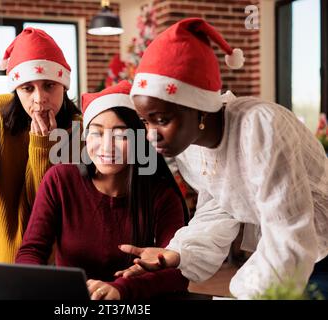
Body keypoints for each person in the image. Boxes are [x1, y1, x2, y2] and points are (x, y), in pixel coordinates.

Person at [115, 18, 328, 299]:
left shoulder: (260, 127)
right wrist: (177, 253)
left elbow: (289, 230)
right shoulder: (191, 146)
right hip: (289, 254)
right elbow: (219, 207)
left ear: (200, 108)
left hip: (316, 255)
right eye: (145, 121)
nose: (152, 135)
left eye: (162, 120)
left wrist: (247, 291)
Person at [15, 81, 189, 300]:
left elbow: (178, 273)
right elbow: (31, 252)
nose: (106, 146)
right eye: (96, 133)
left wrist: (120, 289)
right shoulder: (59, 180)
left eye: (121, 135)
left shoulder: (161, 194)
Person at [0, 27, 82, 262]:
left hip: (54, 257)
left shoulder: (78, 128)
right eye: (27, 88)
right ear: (16, 90)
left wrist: (42, 145)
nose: (39, 99)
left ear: (64, 86)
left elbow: (43, 206)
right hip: (2, 255)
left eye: (49, 85)